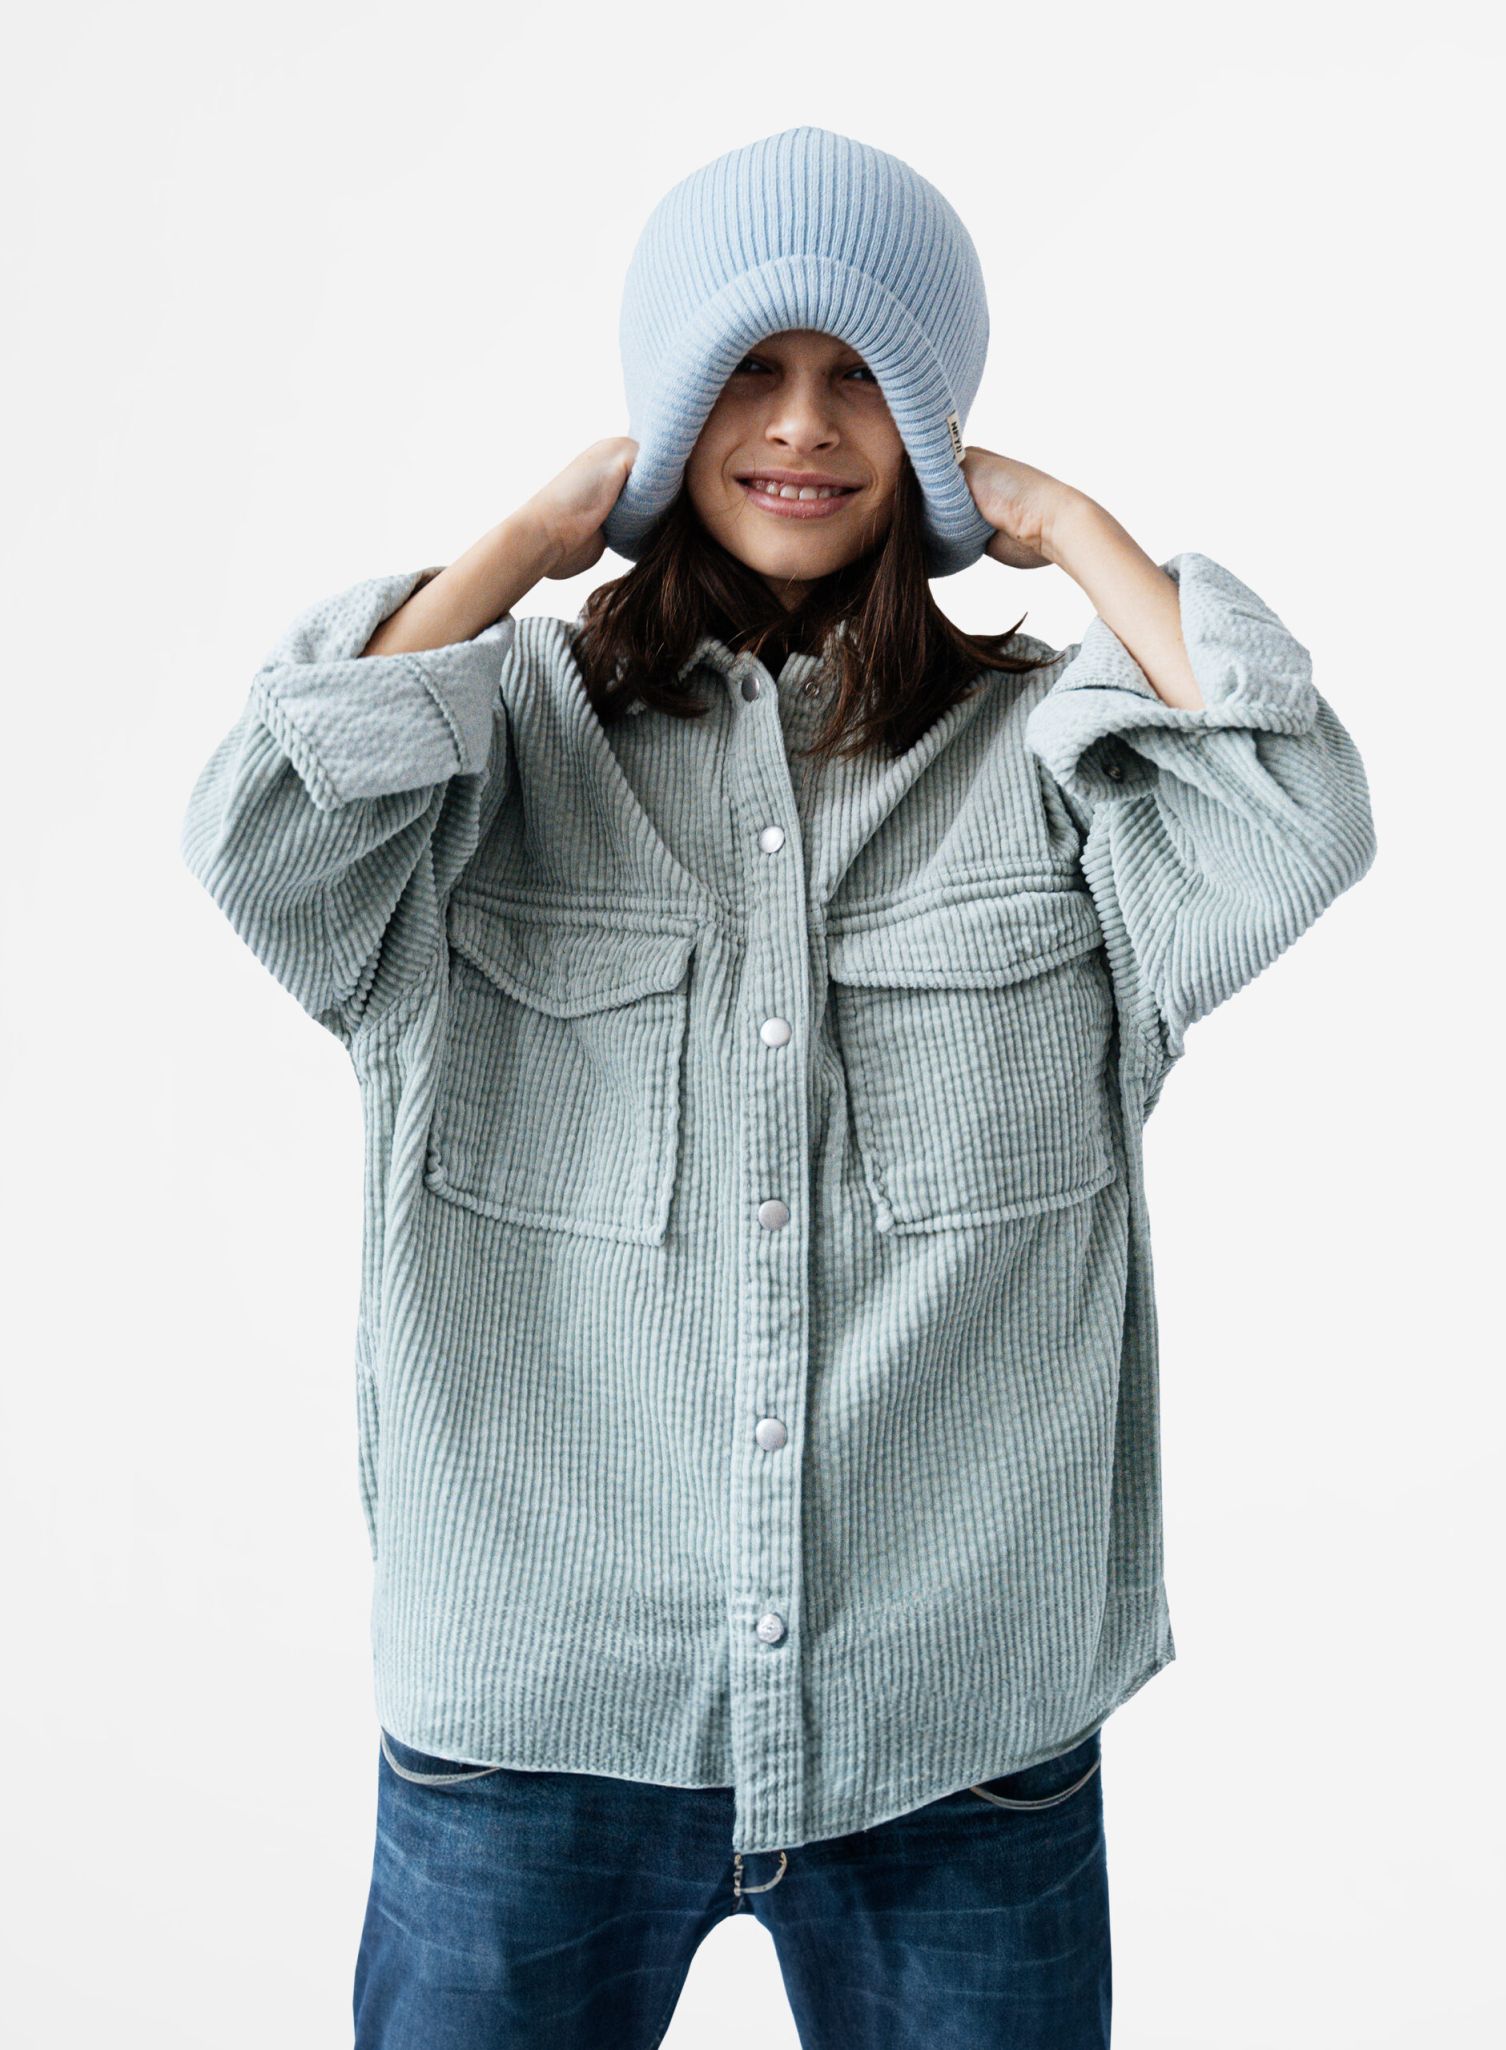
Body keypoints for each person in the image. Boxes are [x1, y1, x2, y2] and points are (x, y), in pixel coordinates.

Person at [179, 126, 1377, 2049]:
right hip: (541, 1720)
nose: (804, 425)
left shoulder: (1050, 763)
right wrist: (520, 545)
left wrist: (1074, 525)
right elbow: (265, 827)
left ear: (931, 424)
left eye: (860, 375)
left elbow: (1296, 809)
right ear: (669, 410)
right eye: (746, 368)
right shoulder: (493, 747)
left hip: (956, 1729)